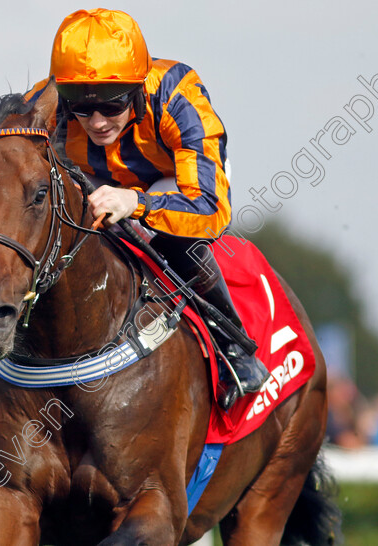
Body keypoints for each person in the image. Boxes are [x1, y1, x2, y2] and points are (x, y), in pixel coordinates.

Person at [26, 8, 268, 409]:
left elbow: (209, 206)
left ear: (138, 88)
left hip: (175, 181)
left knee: (173, 236)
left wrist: (137, 201)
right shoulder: (45, 104)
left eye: (112, 104)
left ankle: (234, 344)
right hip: (97, 184)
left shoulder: (177, 94)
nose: (98, 121)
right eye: (81, 108)